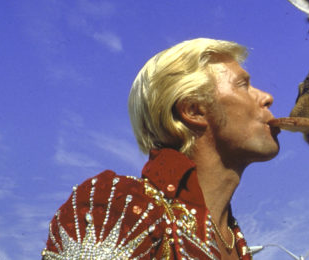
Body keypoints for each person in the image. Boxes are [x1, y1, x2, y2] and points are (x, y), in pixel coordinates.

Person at [42, 38, 280, 260]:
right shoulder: (120, 208)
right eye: (243, 85)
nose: (267, 97)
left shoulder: (234, 241)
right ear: (194, 110)